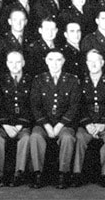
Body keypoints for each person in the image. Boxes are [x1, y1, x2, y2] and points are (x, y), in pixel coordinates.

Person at [29, 49, 80, 189]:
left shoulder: (72, 80)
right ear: (46, 61)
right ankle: (37, 174)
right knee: (35, 136)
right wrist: (46, 125)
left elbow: (74, 106)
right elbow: (35, 106)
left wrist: (60, 125)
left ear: (63, 61)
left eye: (58, 60)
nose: (55, 63)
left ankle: (63, 174)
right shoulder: (39, 80)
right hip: (44, 123)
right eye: (51, 60)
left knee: (68, 138)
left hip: (64, 124)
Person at [72, 49, 105, 188]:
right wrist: (87, 123)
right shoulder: (79, 81)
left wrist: (103, 123)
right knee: (79, 137)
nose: (93, 64)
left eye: (96, 60)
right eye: (90, 61)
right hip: (87, 124)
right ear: (86, 63)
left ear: (102, 62)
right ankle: (77, 174)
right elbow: (77, 105)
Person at [0, 50, 33, 187]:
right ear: (7, 64)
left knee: (26, 139)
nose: (15, 65)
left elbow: (33, 105)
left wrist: (20, 125)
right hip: (4, 125)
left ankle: (18, 173)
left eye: (18, 62)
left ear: (24, 63)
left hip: (23, 125)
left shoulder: (31, 80)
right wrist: (5, 125)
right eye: (11, 62)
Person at [0, 8, 30, 77]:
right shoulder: (1, 40)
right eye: (15, 20)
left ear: (26, 22)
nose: (18, 23)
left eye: (22, 20)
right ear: (9, 21)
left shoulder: (30, 39)